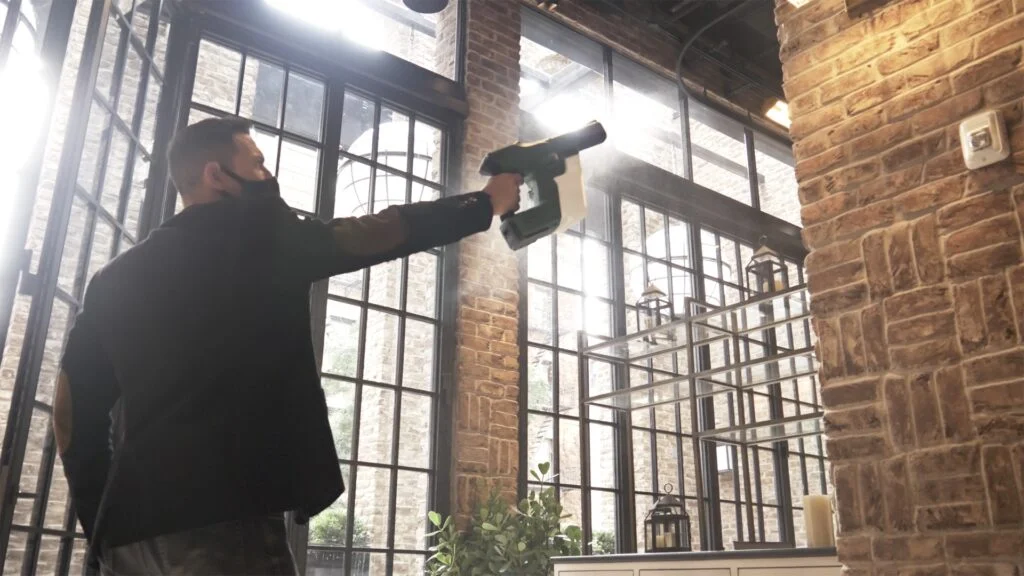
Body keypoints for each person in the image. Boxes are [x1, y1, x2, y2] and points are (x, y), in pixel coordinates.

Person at [51, 116, 521, 575]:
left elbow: (72, 415)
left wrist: (101, 524)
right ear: (216, 176)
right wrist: (484, 203)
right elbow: (374, 234)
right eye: (257, 164)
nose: (268, 175)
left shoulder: (112, 281)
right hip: (222, 522)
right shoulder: (260, 240)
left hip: (131, 534)